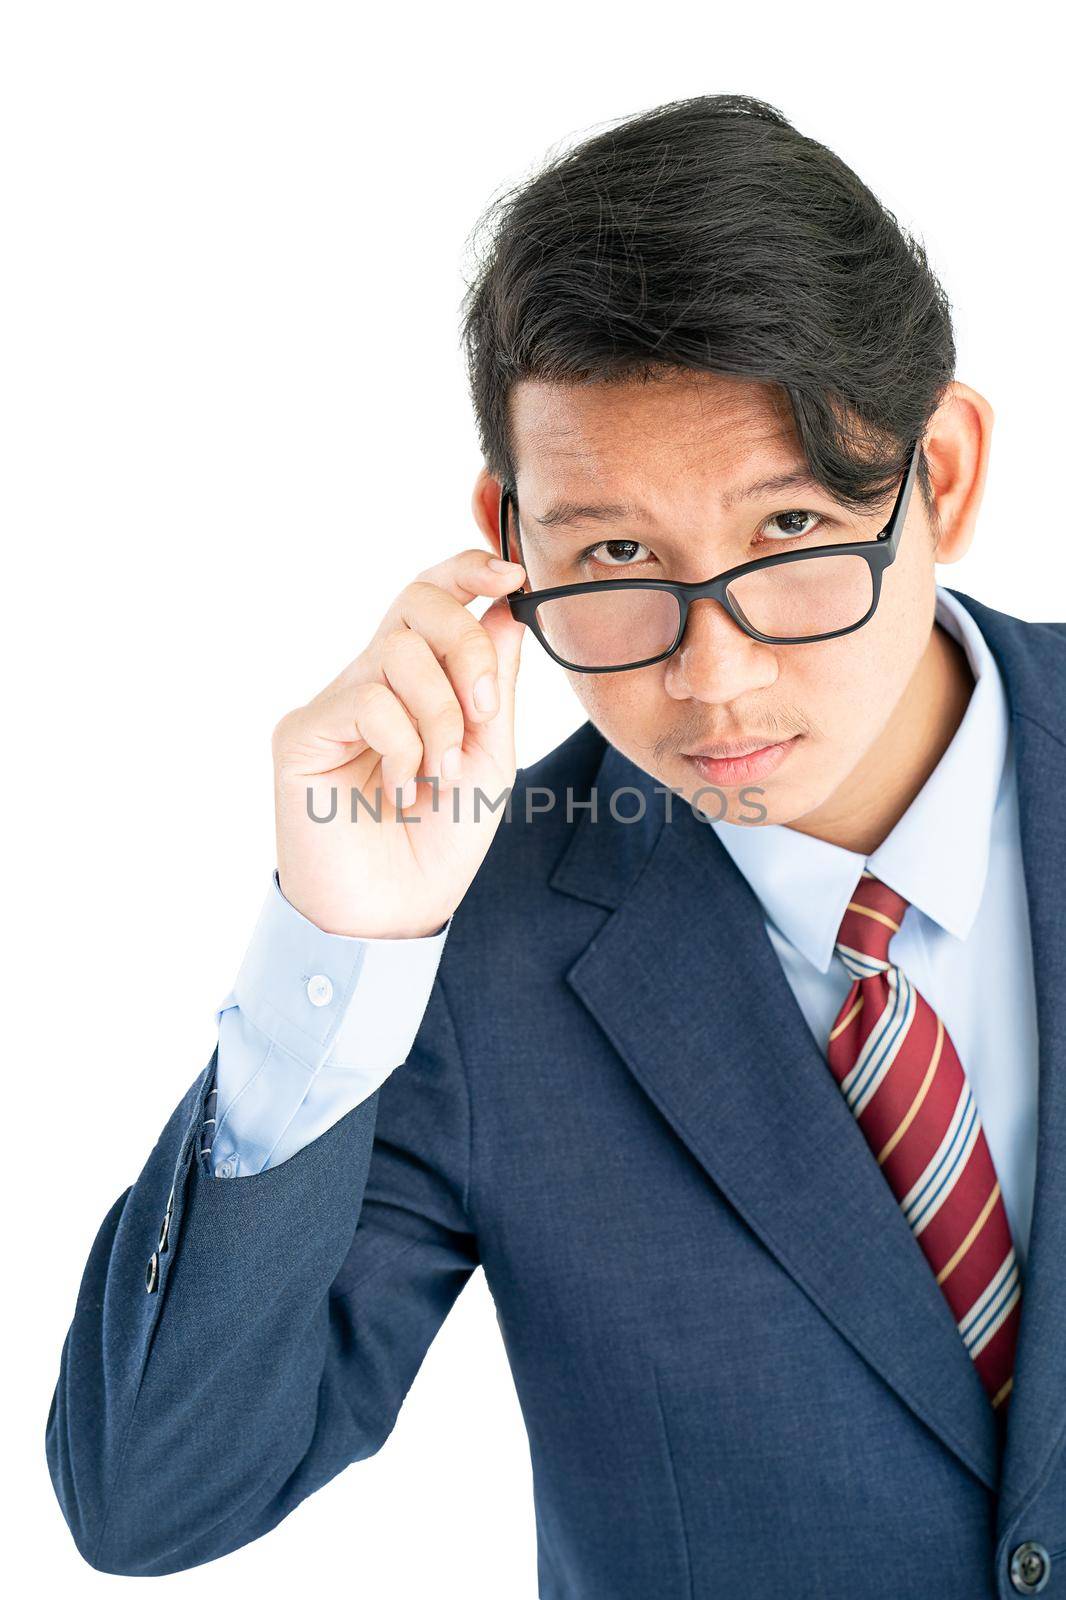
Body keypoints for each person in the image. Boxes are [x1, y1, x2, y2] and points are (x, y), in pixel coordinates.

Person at [44, 92, 1066, 1599]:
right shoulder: (473, 950)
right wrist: (343, 947)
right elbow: (152, 1496)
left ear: (945, 476)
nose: (708, 678)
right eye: (612, 559)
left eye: (786, 539)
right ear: (507, 535)